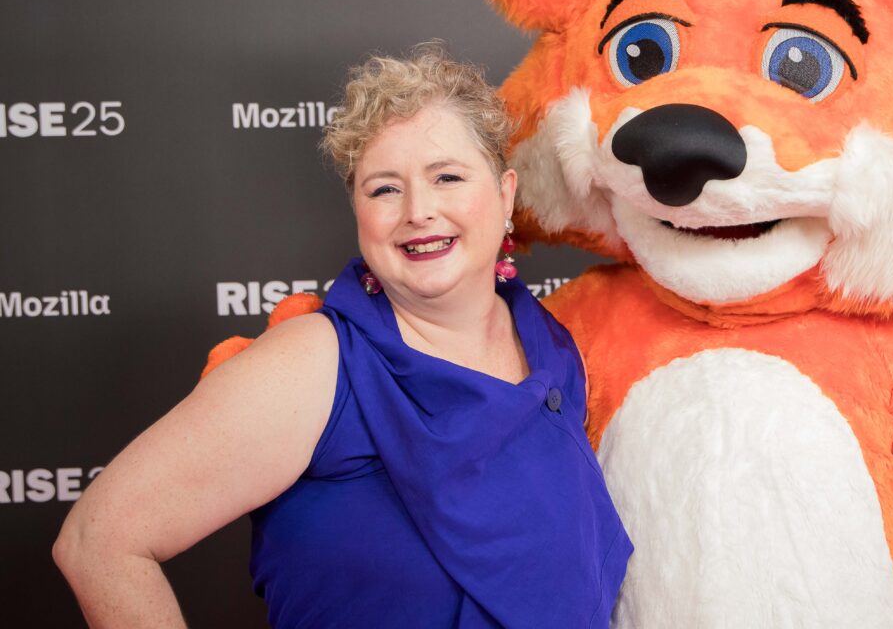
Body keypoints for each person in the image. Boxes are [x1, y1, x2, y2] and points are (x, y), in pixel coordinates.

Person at [53, 44, 633, 628]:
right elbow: (97, 543)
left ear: (505, 194)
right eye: (384, 189)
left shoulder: (555, 349)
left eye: (447, 177)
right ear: (358, 210)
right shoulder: (315, 362)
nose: (418, 211)